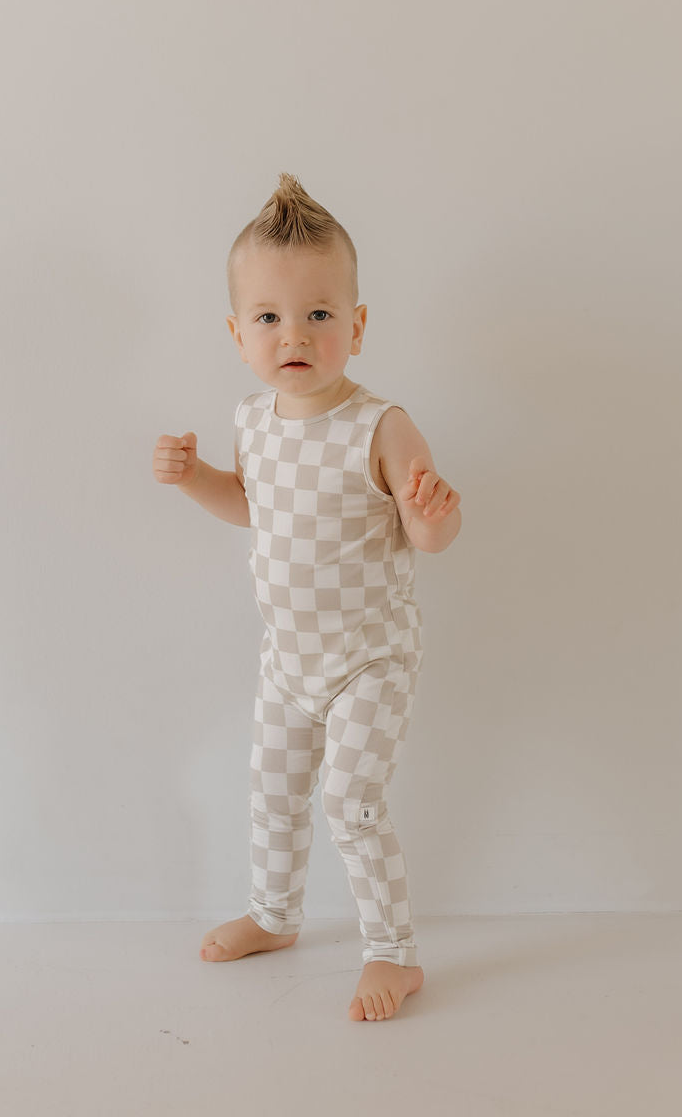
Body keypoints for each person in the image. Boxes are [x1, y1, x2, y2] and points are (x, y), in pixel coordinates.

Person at [153, 174, 462, 1022]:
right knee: (275, 791)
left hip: (370, 658)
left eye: (318, 314)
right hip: (289, 661)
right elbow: (251, 506)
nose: (293, 334)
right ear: (237, 333)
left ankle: (393, 954)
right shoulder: (254, 421)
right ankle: (274, 914)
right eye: (268, 317)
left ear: (355, 327)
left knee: (350, 802)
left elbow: (426, 534)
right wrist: (195, 479)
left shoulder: (380, 426)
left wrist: (434, 517)